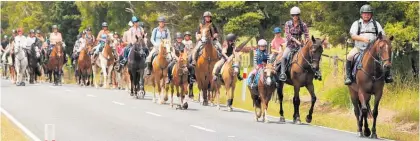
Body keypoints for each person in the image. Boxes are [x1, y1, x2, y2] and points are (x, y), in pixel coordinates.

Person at [344, 4, 392, 85]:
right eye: (365, 13)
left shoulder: (376, 24)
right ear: (361, 14)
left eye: (368, 13)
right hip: (359, 48)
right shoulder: (356, 24)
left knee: (386, 56)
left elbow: (382, 35)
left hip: (373, 49)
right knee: (350, 56)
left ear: (371, 15)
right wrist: (363, 39)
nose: (366, 15)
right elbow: (353, 36)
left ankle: (387, 76)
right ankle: (348, 77)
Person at [278, 6, 321, 81]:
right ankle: (282, 73)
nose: (295, 17)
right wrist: (295, 40)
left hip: (301, 45)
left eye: (297, 15)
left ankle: (317, 72)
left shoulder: (303, 24)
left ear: (298, 15)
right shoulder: (288, 23)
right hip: (290, 45)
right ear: (292, 16)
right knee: (284, 56)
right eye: (294, 15)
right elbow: (288, 35)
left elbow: (306, 34)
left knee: (311, 55)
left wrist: (307, 40)